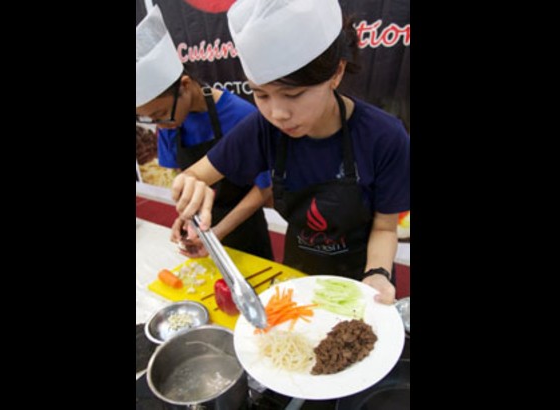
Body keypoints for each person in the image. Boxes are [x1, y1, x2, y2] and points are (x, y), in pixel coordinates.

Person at [169, 0, 410, 304]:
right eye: (261, 94)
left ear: (336, 73)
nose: (278, 113)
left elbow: (386, 227)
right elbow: (196, 174)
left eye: (293, 94)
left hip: (363, 280)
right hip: (298, 275)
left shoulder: (385, 137)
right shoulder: (263, 128)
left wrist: (378, 273)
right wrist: (191, 187)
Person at [136, 4, 273, 260]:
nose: (160, 125)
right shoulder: (169, 123)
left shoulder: (241, 115)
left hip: (245, 229)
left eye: (160, 114)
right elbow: (186, 180)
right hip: (205, 232)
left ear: (185, 86)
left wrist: (219, 231)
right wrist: (186, 216)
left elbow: (265, 188)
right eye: (152, 119)